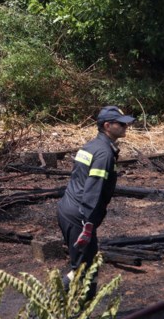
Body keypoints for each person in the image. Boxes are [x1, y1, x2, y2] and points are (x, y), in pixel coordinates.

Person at [57, 106, 135, 304]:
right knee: (85, 271)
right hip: (80, 215)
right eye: (121, 123)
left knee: (84, 266)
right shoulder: (103, 154)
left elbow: (78, 180)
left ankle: (75, 315)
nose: (126, 126)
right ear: (107, 126)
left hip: (68, 208)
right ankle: (47, 310)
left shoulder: (90, 146)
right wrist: (88, 225)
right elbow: (94, 190)